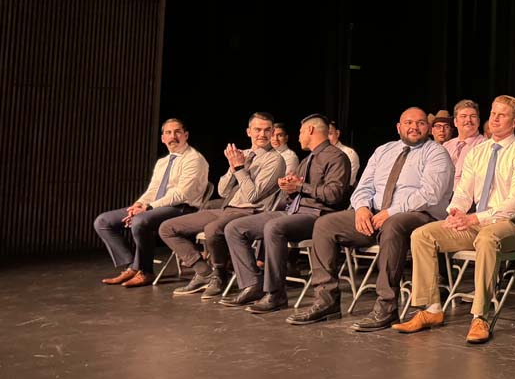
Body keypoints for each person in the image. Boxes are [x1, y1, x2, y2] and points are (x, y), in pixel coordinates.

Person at [287, 107, 454, 329]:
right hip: (375, 215)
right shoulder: (383, 150)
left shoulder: (436, 153)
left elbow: (430, 193)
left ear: (428, 128)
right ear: (399, 127)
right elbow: (363, 186)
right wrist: (362, 208)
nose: (414, 127)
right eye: (408, 122)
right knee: (325, 224)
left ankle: (387, 306)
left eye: (421, 123)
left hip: (416, 215)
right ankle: (326, 301)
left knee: (394, 224)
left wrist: (391, 211)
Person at [393, 95, 515, 345]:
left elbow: (514, 205)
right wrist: (456, 212)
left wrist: (474, 219)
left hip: (511, 226)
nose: (495, 118)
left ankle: (480, 315)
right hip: (477, 222)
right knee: (423, 234)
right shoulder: (478, 152)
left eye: (502, 115)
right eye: (493, 113)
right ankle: (432, 309)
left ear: (514, 122)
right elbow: (463, 191)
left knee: (487, 237)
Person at [222, 114, 350, 313]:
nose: (298, 136)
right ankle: (252, 284)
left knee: (274, 227)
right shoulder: (308, 159)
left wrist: (301, 186)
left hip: (316, 216)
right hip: (293, 211)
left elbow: (334, 195)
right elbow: (297, 190)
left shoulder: (336, 157)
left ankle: (276, 294)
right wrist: (288, 187)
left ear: (310, 131)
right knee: (235, 227)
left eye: (300, 132)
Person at [159, 112, 285, 297]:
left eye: (267, 130)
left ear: (273, 132)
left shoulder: (275, 160)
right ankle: (205, 273)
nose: (262, 134)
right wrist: (233, 167)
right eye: (257, 129)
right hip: (226, 209)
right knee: (167, 228)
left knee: (212, 229)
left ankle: (219, 274)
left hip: (250, 212)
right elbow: (223, 191)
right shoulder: (243, 154)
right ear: (249, 131)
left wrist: (240, 169)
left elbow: (253, 196)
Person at [94, 118, 209, 288]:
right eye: (168, 133)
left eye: (177, 132)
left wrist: (147, 208)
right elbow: (153, 189)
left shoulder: (194, 159)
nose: (173, 136)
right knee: (103, 221)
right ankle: (132, 267)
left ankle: (146, 271)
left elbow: (181, 194)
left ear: (186, 135)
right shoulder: (163, 162)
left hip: (184, 209)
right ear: (163, 138)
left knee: (141, 221)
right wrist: (138, 205)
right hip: (156, 207)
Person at [445, 98, 486, 187]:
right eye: (463, 116)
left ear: (478, 122)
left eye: (473, 116)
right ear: (455, 122)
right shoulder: (447, 146)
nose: (468, 120)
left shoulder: (485, 146)